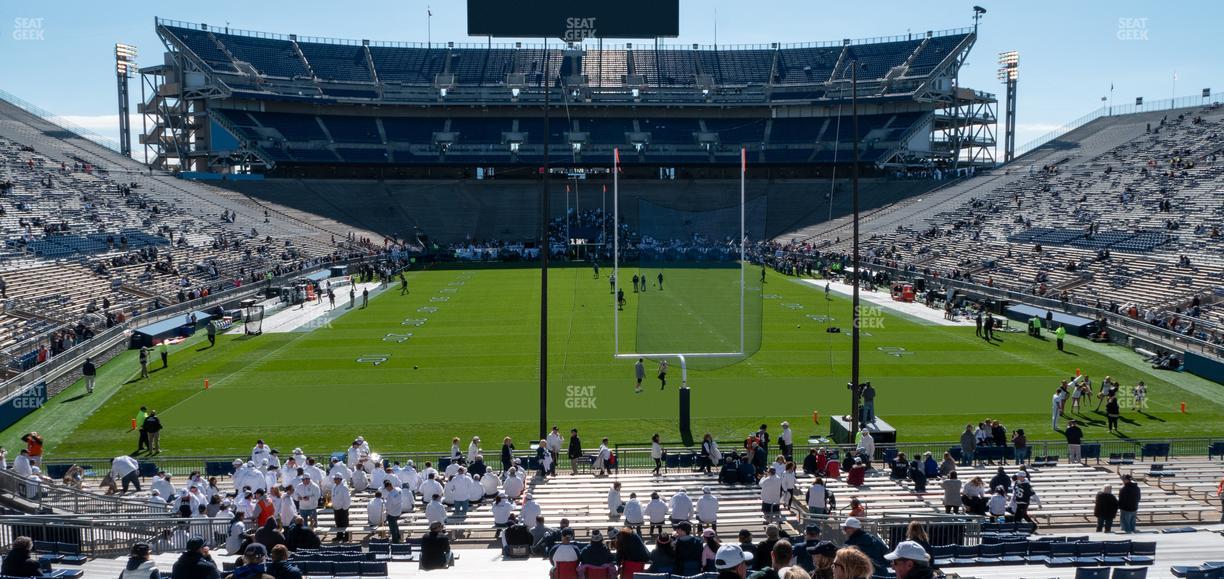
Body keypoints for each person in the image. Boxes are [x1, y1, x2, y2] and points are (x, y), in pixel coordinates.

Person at [330, 474, 350, 542]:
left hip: (342, 508)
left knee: (344, 523)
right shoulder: (334, 486)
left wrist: (345, 508)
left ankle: (346, 536)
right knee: (338, 523)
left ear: (340, 479)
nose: (334, 480)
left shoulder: (344, 487)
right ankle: (339, 536)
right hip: (336, 508)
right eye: (334, 479)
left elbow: (347, 499)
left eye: (336, 479)